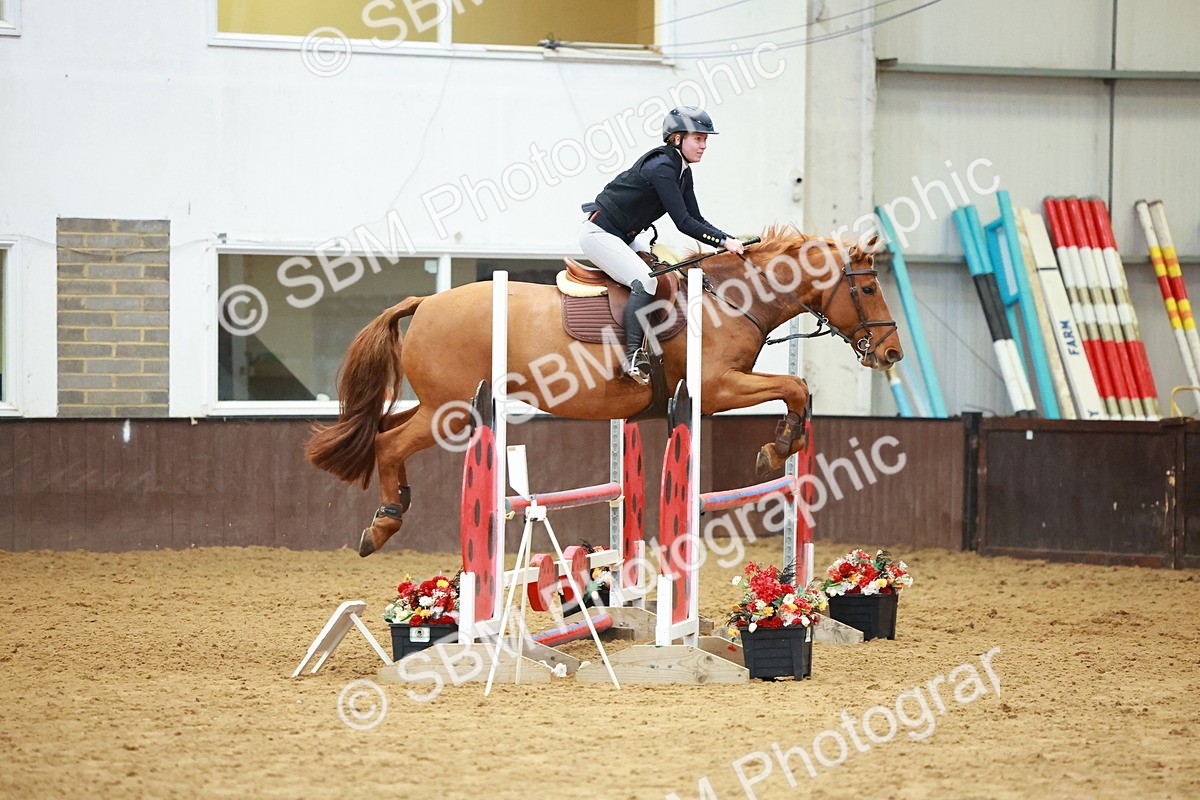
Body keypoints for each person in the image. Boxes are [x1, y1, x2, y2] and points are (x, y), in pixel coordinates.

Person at [579, 106, 745, 385]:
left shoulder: (682, 171)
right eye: (698, 139)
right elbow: (683, 222)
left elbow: (696, 218)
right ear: (677, 139)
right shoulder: (663, 168)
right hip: (599, 234)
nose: (704, 146)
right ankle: (632, 357)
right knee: (646, 281)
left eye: (706, 140)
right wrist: (725, 241)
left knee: (665, 273)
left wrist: (726, 239)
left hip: (624, 236)